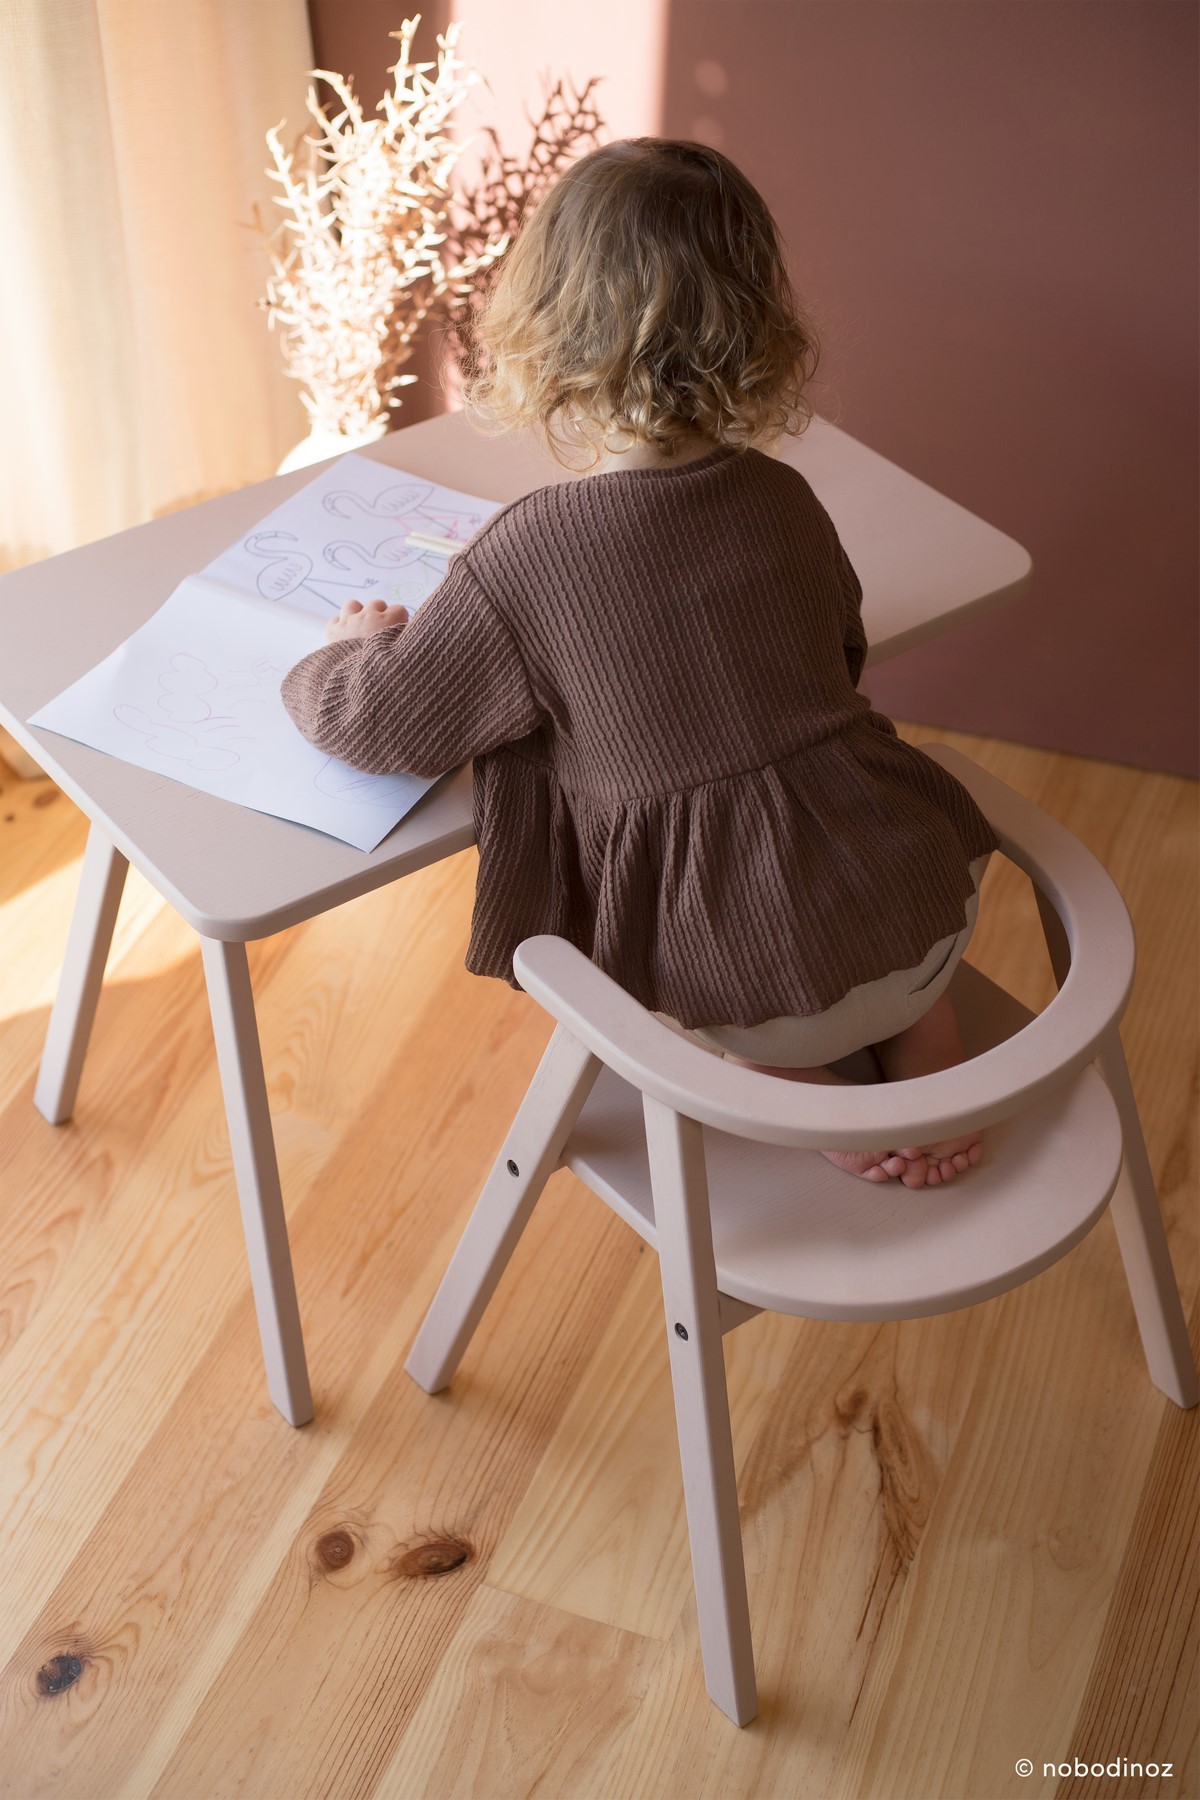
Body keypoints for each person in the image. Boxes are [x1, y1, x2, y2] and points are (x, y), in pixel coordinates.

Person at [280, 137, 1001, 1190]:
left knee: (708, 992)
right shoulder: (781, 497)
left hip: (742, 980)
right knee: (888, 949)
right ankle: (925, 1047)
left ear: (548, 327)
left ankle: (806, 1096)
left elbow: (377, 725)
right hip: (918, 892)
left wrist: (349, 652)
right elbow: (840, 649)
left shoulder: (528, 554)